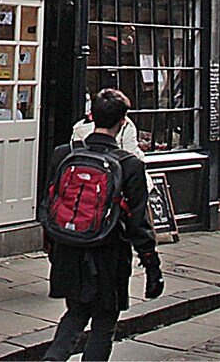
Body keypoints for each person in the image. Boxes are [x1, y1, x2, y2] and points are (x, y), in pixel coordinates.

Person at [41, 88, 161, 360]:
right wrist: (152, 265)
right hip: (109, 252)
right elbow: (138, 222)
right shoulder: (130, 165)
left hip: (69, 249)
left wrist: (52, 246)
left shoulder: (63, 154)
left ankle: (53, 358)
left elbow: (49, 202)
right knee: (104, 322)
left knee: (76, 311)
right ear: (124, 121)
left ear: (92, 116)